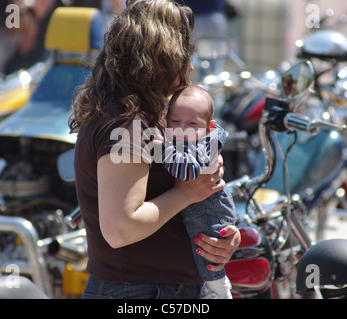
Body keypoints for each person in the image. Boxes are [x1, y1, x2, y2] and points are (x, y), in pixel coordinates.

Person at [69, 0, 240, 299]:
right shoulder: (126, 125)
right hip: (139, 292)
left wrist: (220, 234)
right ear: (162, 57)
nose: (189, 67)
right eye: (184, 55)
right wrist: (188, 192)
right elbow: (122, 228)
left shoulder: (142, 117)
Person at [159, 85, 236, 299]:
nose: (182, 128)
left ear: (208, 128)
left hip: (212, 211)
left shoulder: (200, 146)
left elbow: (188, 171)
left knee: (208, 251)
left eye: (192, 123)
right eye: (175, 121)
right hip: (201, 209)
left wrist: (155, 148)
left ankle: (219, 290)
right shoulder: (186, 139)